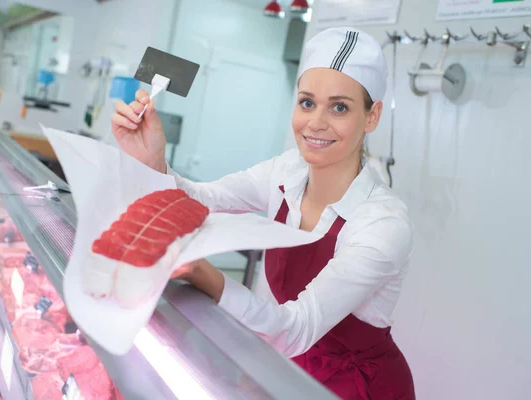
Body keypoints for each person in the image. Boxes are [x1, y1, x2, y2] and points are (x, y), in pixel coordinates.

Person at [111, 27, 415, 400]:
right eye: (307, 102)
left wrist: (202, 272)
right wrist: (153, 159)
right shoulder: (286, 172)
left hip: (356, 386)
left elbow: (298, 329)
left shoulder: (382, 224)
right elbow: (205, 198)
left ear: (371, 117)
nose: (316, 122)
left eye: (340, 107)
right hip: (283, 363)